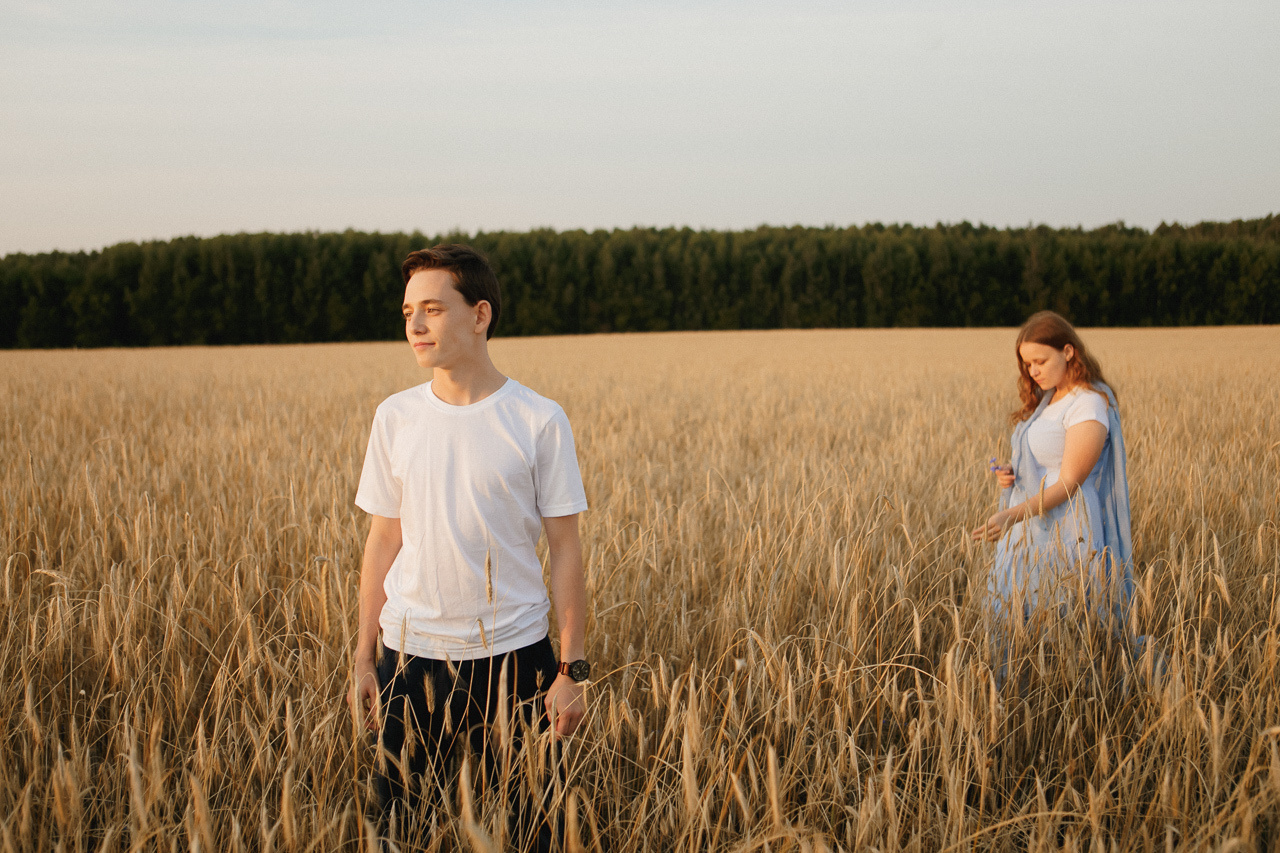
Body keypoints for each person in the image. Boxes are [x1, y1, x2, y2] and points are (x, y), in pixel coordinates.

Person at [349, 244, 591, 847]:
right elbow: (382, 540)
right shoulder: (395, 417)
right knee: (397, 831)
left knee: (534, 830)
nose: (415, 325)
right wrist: (362, 656)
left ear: (480, 315)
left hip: (516, 659)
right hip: (409, 656)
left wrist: (572, 668)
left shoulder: (537, 418)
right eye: (408, 311)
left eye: (432, 308)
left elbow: (566, 550)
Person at [972, 311, 1134, 673]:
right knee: (1020, 616)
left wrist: (1010, 515)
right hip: (1030, 524)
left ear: (1069, 351)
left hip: (1067, 528)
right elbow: (1045, 464)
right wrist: (1012, 476)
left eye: (1040, 361)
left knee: (1065, 618)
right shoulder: (1048, 401)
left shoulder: (1089, 403)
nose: (1033, 371)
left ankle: (1074, 698)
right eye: (1027, 364)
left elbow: (1070, 480)